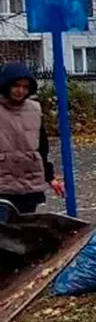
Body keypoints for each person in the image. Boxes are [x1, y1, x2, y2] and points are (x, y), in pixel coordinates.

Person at [0, 63, 65, 214]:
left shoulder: (34, 109)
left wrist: (50, 177)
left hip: (29, 182)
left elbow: (42, 147)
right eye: (15, 85)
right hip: (3, 182)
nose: (20, 91)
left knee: (25, 229)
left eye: (25, 87)